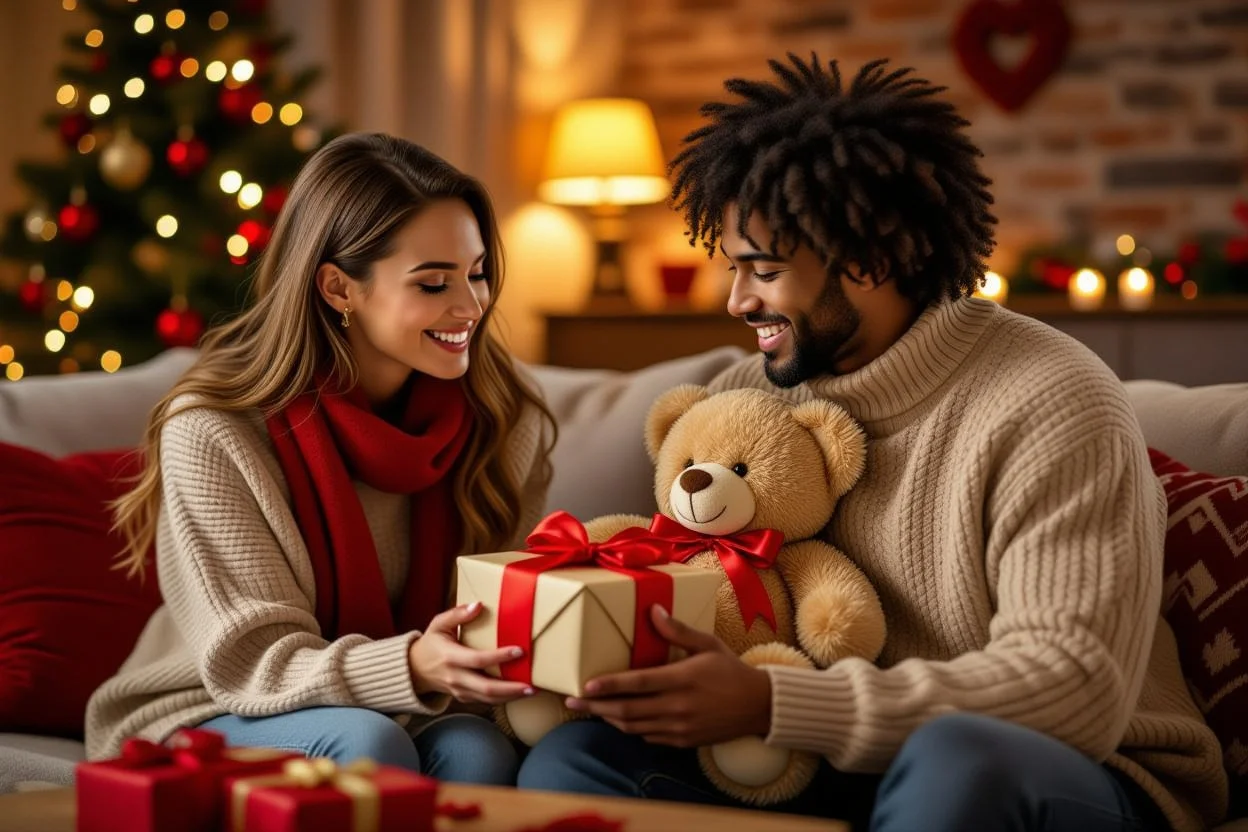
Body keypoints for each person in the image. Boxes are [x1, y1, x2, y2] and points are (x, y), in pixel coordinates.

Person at [516, 55, 1228, 831]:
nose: (736, 300)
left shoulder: (1051, 397)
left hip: (1080, 770)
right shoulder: (747, 400)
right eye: (732, 269)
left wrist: (772, 701)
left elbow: (1072, 688)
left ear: (871, 260)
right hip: (822, 757)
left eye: (764, 270)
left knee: (957, 761)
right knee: (575, 759)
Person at [85, 133, 555, 786]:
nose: (471, 306)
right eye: (433, 282)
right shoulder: (214, 430)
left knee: (480, 752)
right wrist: (413, 663)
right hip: (210, 703)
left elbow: (500, 622)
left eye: (477, 273)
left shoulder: (503, 417)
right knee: (367, 744)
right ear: (338, 288)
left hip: (404, 702)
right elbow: (251, 661)